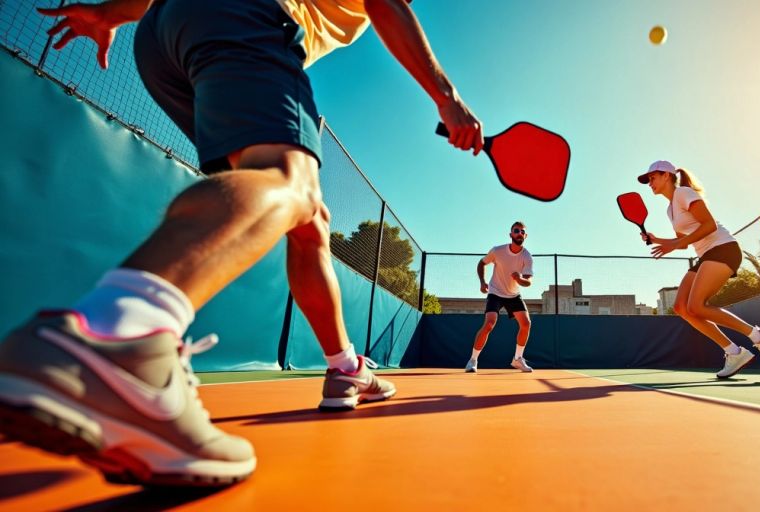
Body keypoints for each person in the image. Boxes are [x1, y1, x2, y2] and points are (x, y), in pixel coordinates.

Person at [0, 0, 484, 486]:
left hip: (165, 35)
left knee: (307, 218)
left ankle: (346, 367)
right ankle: (121, 334)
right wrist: (446, 97)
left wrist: (112, 15)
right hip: (244, 17)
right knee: (285, 178)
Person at [638, 160, 760, 378]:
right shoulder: (671, 210)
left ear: (667, 175)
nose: (650, 183)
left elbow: (709, 225)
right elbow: (685, 241)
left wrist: (675, 245)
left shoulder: (684, 193)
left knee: (696, 305)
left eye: (652, 178)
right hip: (706, 255)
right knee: (681, 308)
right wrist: (658, 239)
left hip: (723, 248)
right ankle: (733, 352)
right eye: (648, 180)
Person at [466, 222, 535, 373]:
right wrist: (482, 282)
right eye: (516, 231)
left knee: (526, 324)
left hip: (513, 294)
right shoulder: (497, 251)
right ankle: (473, 360)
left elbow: (528, 282)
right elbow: (481, 263)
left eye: (522, 232)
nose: (519, 233)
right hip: (495, 292)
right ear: (510, 234)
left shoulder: (527, 256)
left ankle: (517, 359)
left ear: (525, 236)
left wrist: (519, 279)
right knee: (490, 323)